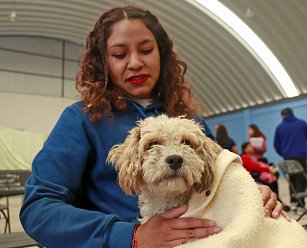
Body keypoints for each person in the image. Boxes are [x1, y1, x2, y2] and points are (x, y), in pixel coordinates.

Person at [19, 6, 287, 248]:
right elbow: (38, 209)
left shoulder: (189, 118)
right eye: (120, 54)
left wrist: (253, 194)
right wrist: (130, 235)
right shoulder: (81, 119)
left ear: (162, 54)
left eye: (146, 50)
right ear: (104, 62)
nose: (135, 62)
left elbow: (226, 178)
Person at [274, 107, 307, 213]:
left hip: (287, 157)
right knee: (301, 179)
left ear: (283, 115)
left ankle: (293, 203)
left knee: (291, 178)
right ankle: (301, 205)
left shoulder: (280, 127)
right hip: (302, 155)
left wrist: (284, 153)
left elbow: (276, 145)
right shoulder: (302, 124)